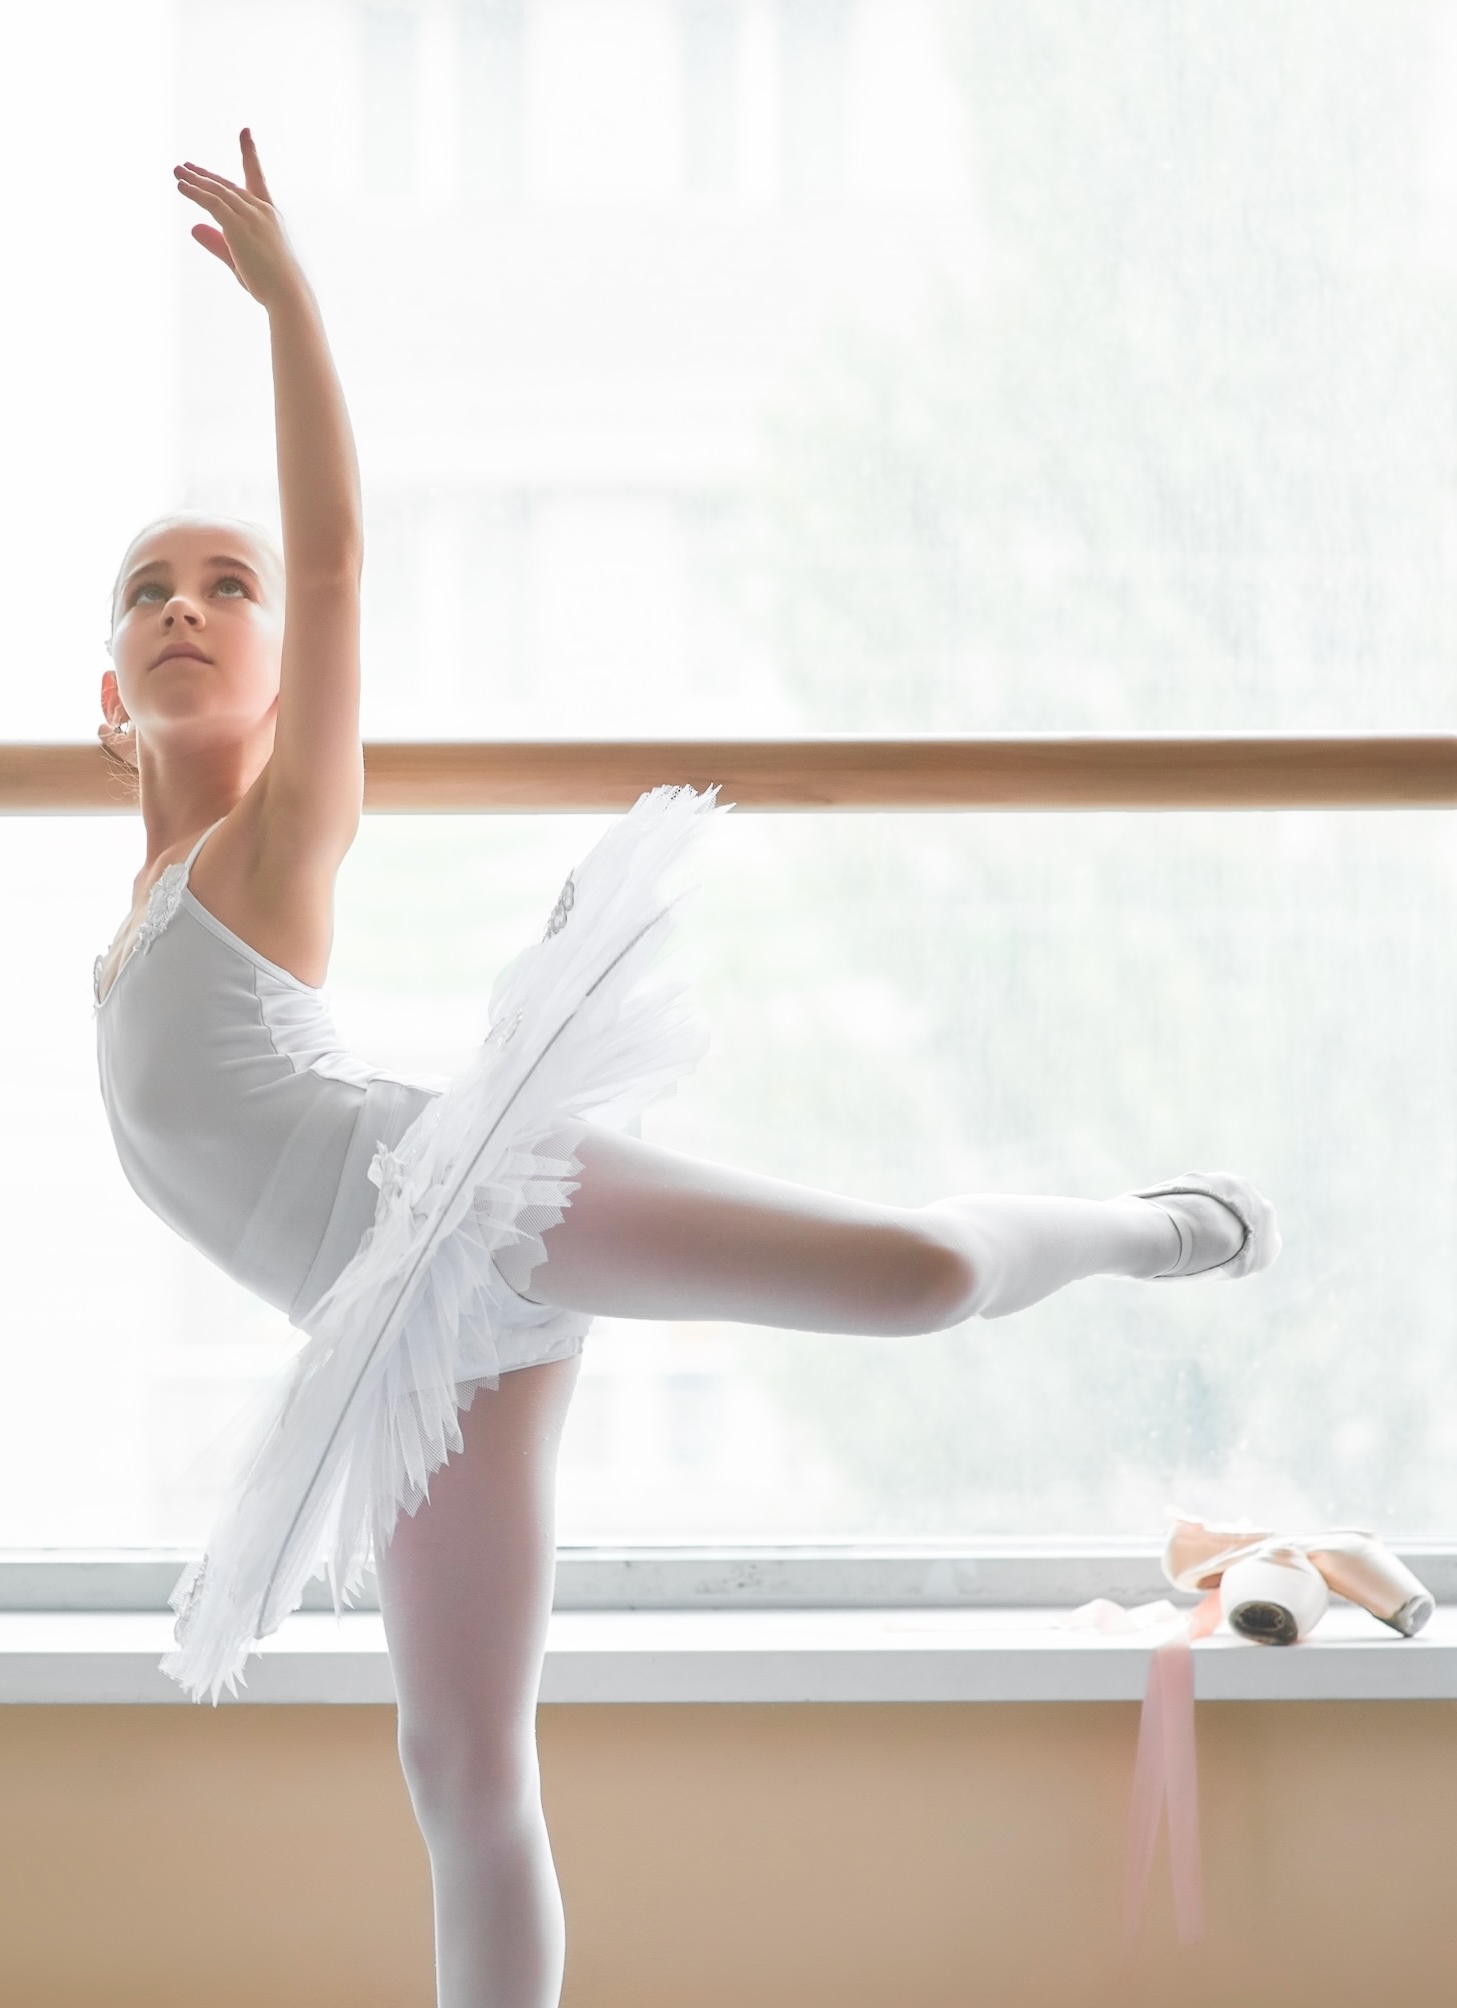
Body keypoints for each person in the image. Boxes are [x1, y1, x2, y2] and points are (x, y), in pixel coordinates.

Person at [92, 131, 1282, 2008]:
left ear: (260, 669)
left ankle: (1156, 1227)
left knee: (912, 1280)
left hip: (453, 1199)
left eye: (216, 587)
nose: (185, 603)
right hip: (388, 1338)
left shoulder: (269, 848)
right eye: (148, 588)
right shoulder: (135, 909)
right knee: (461, 1765)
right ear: (106, 702)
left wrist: (291, 306)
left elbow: (335, 561)